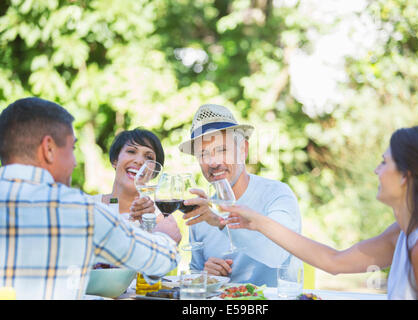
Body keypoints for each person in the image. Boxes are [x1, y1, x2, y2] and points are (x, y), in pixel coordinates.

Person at [222, 126, 418, 300]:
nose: (376, 170)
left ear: (404, 176)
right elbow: (333, 261)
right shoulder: (402, 233)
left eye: (384, 162)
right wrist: (258, 222)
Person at [0, 97, 180, 299]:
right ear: (48, 149)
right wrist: (164, 237)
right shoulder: (78, 209)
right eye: (72, 148)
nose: (75, 163)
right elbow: (163, 258)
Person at [178, 104, 302, 287]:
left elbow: (275, 254)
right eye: (203, 154)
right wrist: (206, 275)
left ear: (243, 150)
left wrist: (221, 222)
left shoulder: (277, 195)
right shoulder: (202, 212)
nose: (213, 162)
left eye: (222, 150)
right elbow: (195, 278)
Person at [92, 128, 166, 224]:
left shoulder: (162, 219)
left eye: (149, 157)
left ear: (154, 172)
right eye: (131, 151)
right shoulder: (88, 206)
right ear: (115, 160)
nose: (139, 161)